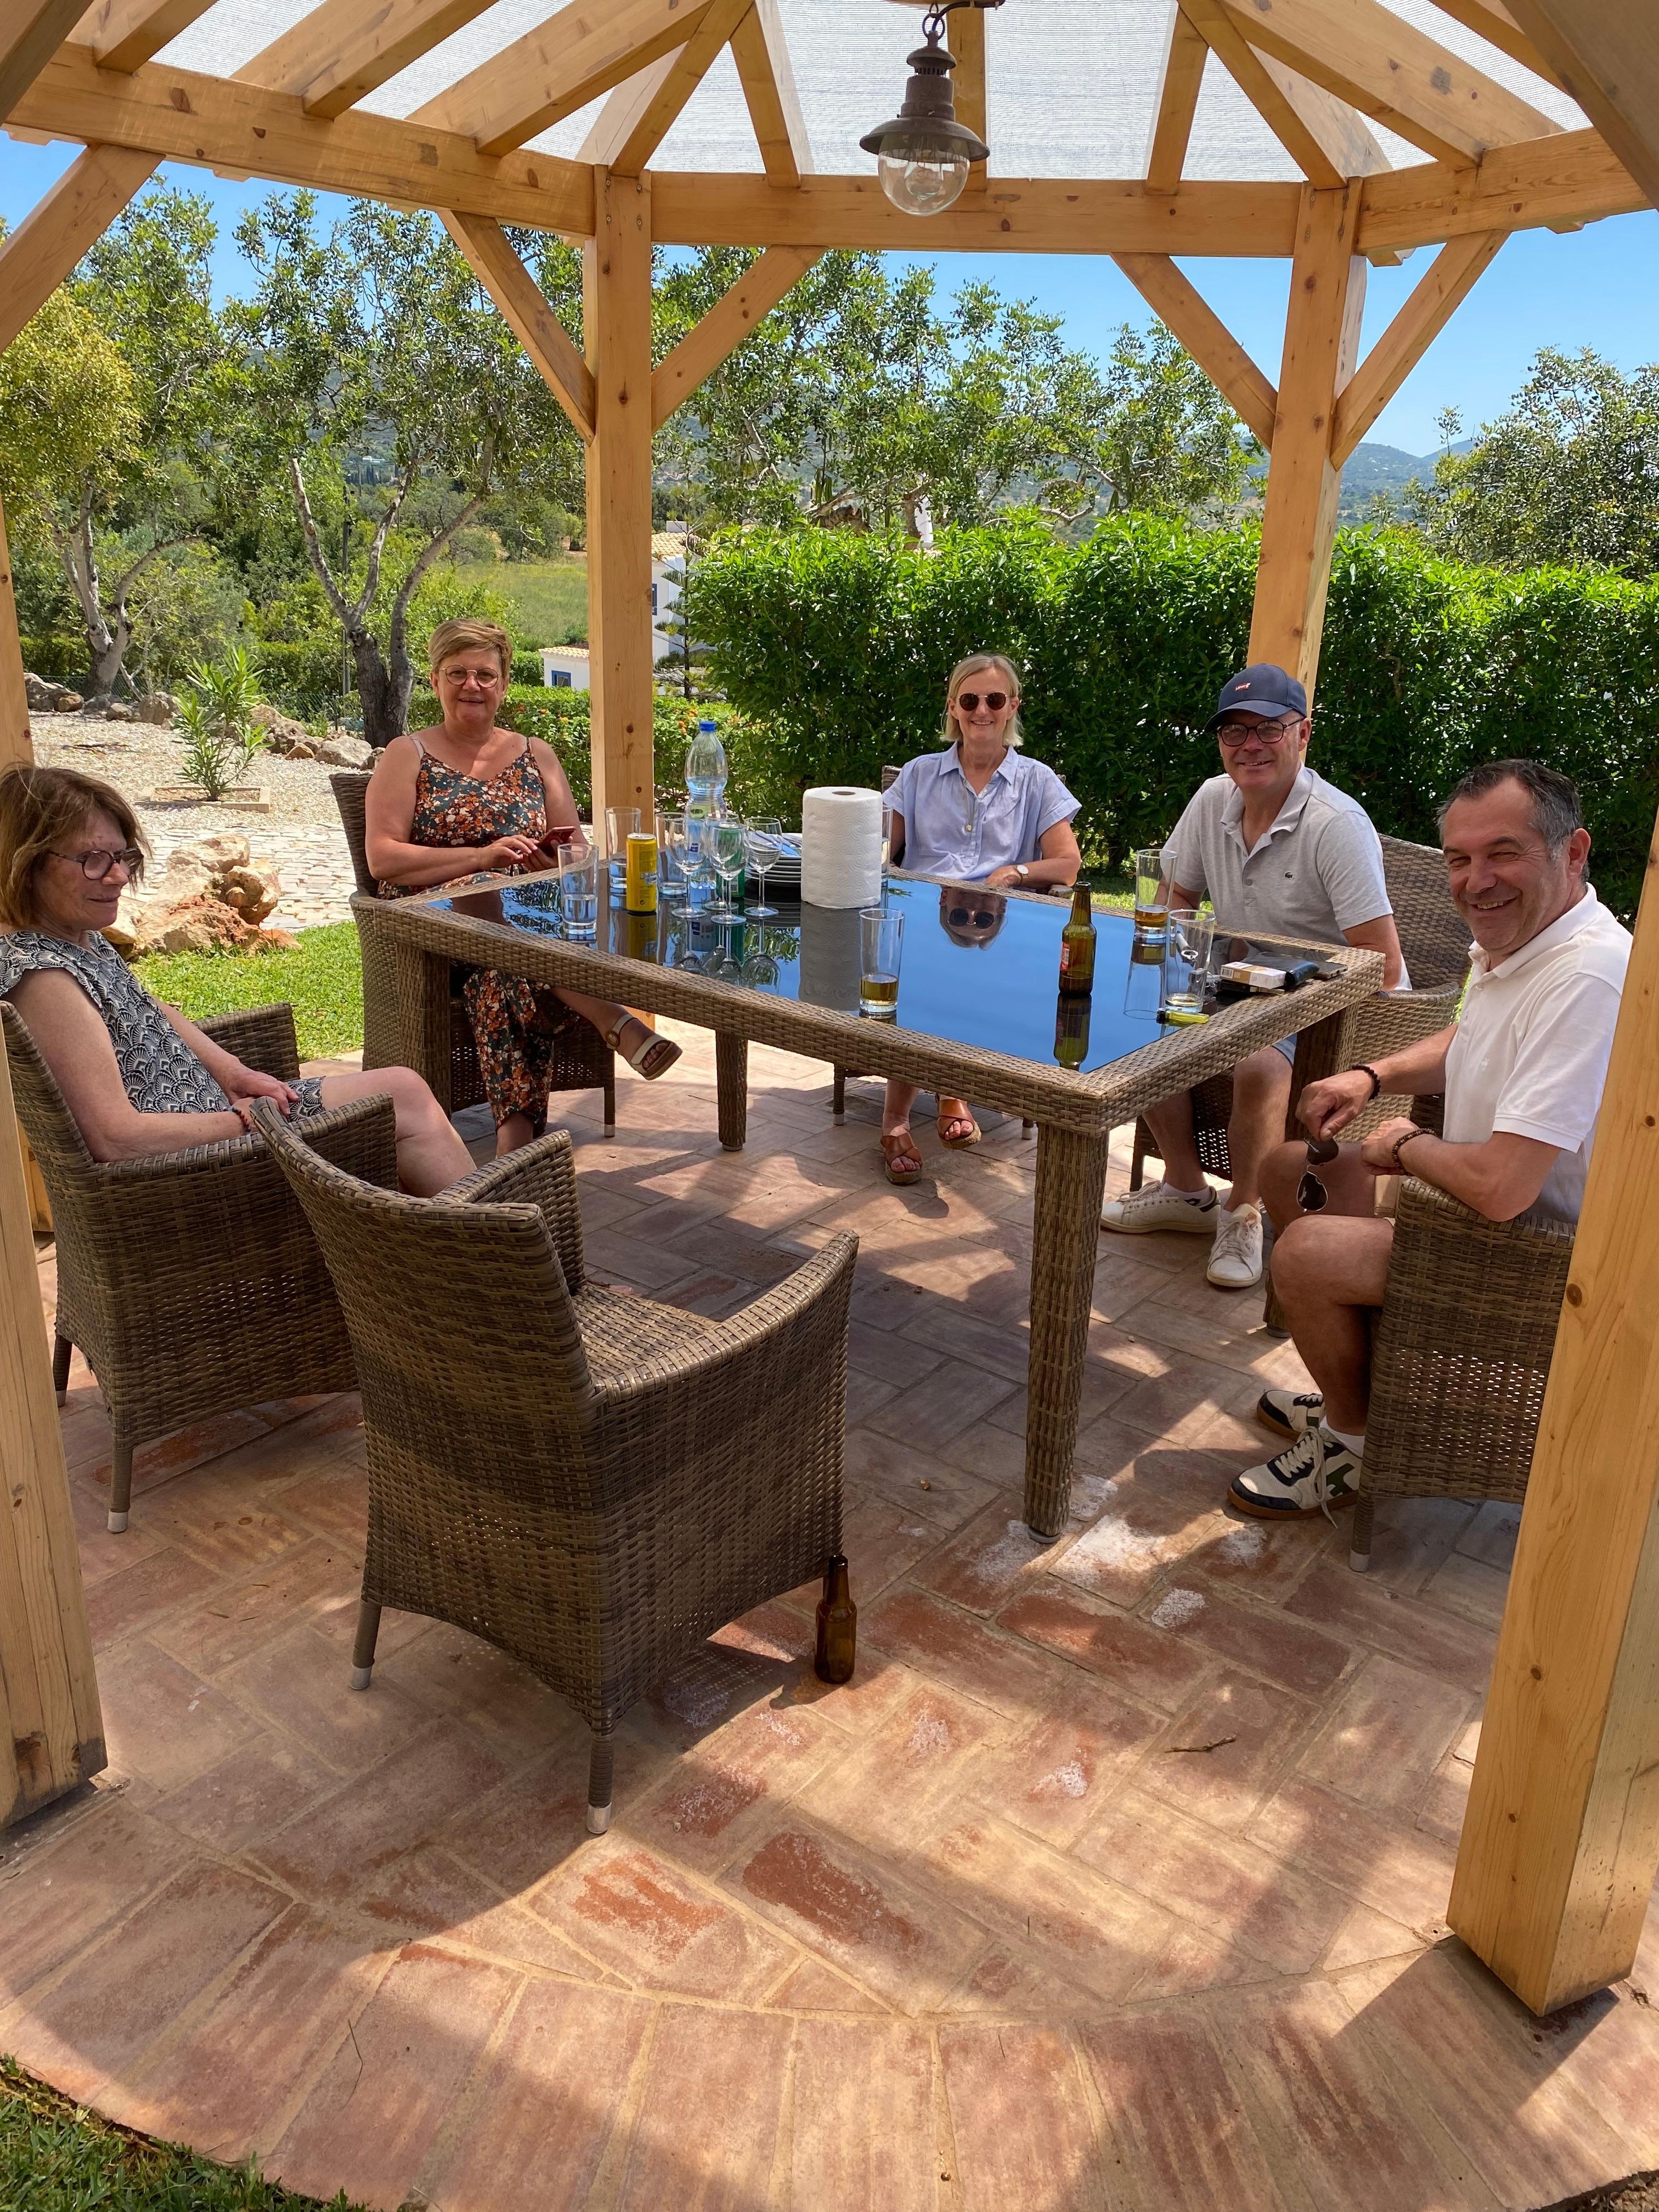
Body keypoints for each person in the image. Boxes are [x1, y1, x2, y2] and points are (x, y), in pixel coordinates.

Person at [1230, 758, 1629, 1519]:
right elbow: (1471, 1035)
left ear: (1572, 852)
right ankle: (1362, 1394)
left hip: (1543, 1255)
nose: (1478, 881)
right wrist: (1371, 1078)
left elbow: (1502, 1188)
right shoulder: (1532, 943)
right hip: (1478, 1214)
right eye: (1460, 859)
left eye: (1503, 853)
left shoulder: (1588, 978)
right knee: (1287, 1170)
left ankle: (1354, 1447)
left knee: (1307, 1255)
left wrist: (1408, 1146)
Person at [0, 763, 475, 1195]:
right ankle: (485, 1245)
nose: (120, 876)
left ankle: (455, 1237)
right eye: (93, 859)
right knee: (402, 1100)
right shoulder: (45, 979)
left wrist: (233, 1072)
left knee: (402, 1093)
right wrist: (247, 1123)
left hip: (217, 1126)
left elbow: (146, 1008)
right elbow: (117, 1138)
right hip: (201, 1170)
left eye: (122, 857)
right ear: (24, 862)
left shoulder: (76, 937)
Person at [1101, 662, 1406, 1289]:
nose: (1250, 746)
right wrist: (1201, 952)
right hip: (1244, 984)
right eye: (1234, 731)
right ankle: (1185, 1190)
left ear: (1303, 734)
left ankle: (1243, 1212)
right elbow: (1174, 896)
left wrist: (1276, 985)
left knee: (1259, 1059)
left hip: (1340, 1007)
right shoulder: (1213, 799)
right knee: (1140, 1013)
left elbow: (1383, 963)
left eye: (1269, 729)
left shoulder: (1335, 825)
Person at [367, 618, 680, 1156]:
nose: (472, 685)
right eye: (458, 673)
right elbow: (383, 858)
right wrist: (482, 858)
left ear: (505, 684)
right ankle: (612, 1019)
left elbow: (577, 851)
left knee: (499, 970)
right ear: (436, 681)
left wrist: (550, 858)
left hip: (520, 926)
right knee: (489, 897)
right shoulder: (407, 752)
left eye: (485, 675)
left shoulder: (537, 754)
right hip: (430, 927)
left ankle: (513, 1147)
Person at [881, 652, 1081, 1184]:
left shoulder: (1036, 781)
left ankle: (912, 1111)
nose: (982, 711)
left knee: (957, 967)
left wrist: (1015, 871)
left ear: (1012, 706)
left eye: (994, 699)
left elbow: (1067, 863)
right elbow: (878, 851)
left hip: (999, 925)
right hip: (924, 916)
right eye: (970, 700)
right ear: (953, 707)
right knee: (922, 962)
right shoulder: (919, 774)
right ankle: (942, 1095)